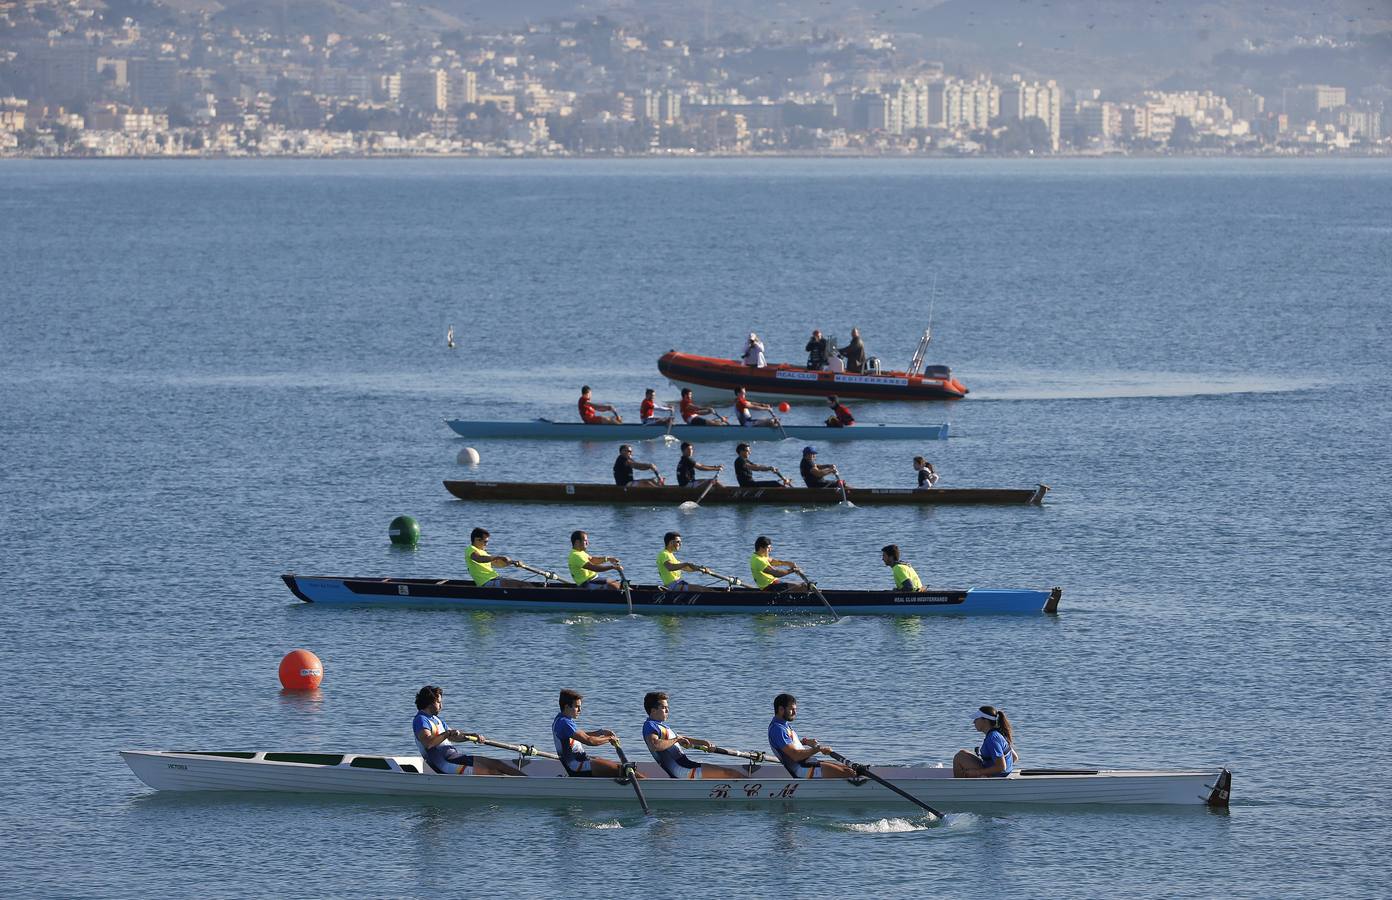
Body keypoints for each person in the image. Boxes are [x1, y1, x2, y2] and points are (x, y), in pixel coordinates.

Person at [412, 685, 524, 775]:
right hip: (445, 764)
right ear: (429, 703)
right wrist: (447, 733)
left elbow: (454, 737)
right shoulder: (421, 720)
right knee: (492, 773)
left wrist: (472, 736)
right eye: (439, 702)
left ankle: (528, 781)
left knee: (498, 764)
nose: (441, 706)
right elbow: (428, 743)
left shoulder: (436, 719)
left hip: (455, 757)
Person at [643, 692, 749, 779]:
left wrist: (702, 742)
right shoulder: (649, 725)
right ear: (653, 710)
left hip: (687, 765)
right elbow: (654, 745)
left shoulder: (661, 726)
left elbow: (680, 739)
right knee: (730, 774)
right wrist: (676, 739)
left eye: (668, 707)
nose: (668, 710)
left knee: (726, 772)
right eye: (664, 708)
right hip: (682, 771)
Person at [767, 693, 856, 779]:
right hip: (803, 771)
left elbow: (786, 745)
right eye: (792, 709)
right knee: (849, 773)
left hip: (806, 764)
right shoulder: (777, 729)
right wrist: (818, 749)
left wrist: (804, 742)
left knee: (849, 770)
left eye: (795, 709)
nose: (795, 712)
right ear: (781, 709)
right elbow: (795, 755)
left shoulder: (783, 725)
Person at [553, 689, 634, 778]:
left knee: (605, 762)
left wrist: (600, 732)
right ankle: (643, 782)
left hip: (581, 760)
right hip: (576, 767)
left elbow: (581, 735)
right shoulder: (564, 723)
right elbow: (589, 741)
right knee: (621, 770)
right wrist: (610, 739)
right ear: (566, 707)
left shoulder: (561, 719)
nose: (580, 710)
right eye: (577, 707)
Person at [954, 706, 1018, 778]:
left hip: (997, 776)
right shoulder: (998, 733)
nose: (974, 722)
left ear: (985, 721)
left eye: (976, 719)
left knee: (958, 757)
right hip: (1001, 773)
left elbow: (1001, 767)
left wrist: (977, 772)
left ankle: (959, 786)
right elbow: (1014, 757)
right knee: (962, 752)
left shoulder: (992, 738)